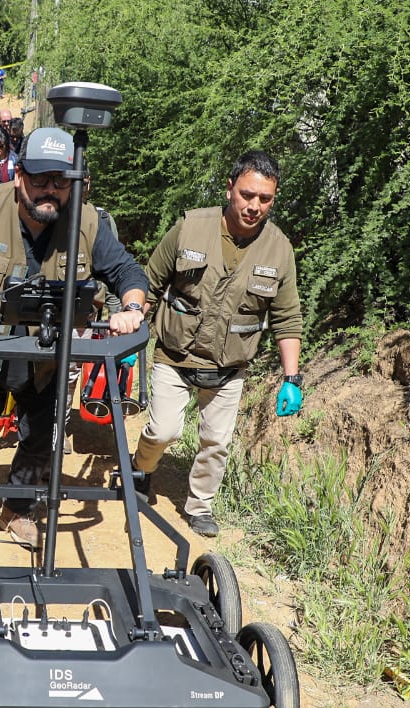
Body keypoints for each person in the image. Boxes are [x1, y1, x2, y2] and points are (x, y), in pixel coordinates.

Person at [0, 128, 149, 549]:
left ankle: (18, 508)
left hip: (46, 359)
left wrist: (131, 309)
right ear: (19, 176)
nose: (50, 191)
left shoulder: (87, 221)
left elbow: (127, 272)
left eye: (61, 182)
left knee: (40, 439)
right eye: (40, 180)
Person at [131, 150, 303, 538]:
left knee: (215, 441)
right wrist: (130, 336)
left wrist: (292, 378)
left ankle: (200, 506)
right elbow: (150, 283)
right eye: (247, 195)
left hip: (230, 365)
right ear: (229, 189)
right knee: (163, 431)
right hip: (175, 354)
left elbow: (287, 319)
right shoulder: (190, 228)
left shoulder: (279, 249)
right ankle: (141, 469)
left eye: (265, 199)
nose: (254, 206)